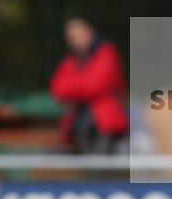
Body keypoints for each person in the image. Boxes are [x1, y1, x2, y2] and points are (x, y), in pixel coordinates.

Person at [50, 17, 129, 153]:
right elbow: (58, 89)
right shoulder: (71, 60)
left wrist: (75, 86)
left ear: (90, 33)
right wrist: (83, 83)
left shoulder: (106, 52)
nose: (75, 41)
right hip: (78, 120)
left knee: (99, 162)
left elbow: (96, 85)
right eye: (71, 38)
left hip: (107, 121)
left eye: (78, 36)